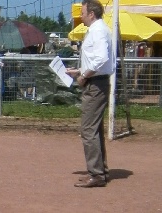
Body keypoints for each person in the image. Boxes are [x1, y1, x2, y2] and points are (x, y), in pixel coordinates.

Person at [65, 0, 114, 188]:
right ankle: (99, 169)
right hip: (96, 82)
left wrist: (84, 76)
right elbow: (96, 60)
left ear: (92, 14)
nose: (81, 16)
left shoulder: (98, 31)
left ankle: (97, 174)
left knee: (88, 130)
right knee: (94, 129)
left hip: (95, 85)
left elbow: (101, 59)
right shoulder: (97, 30)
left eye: (83, 12)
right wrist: (78, 71)